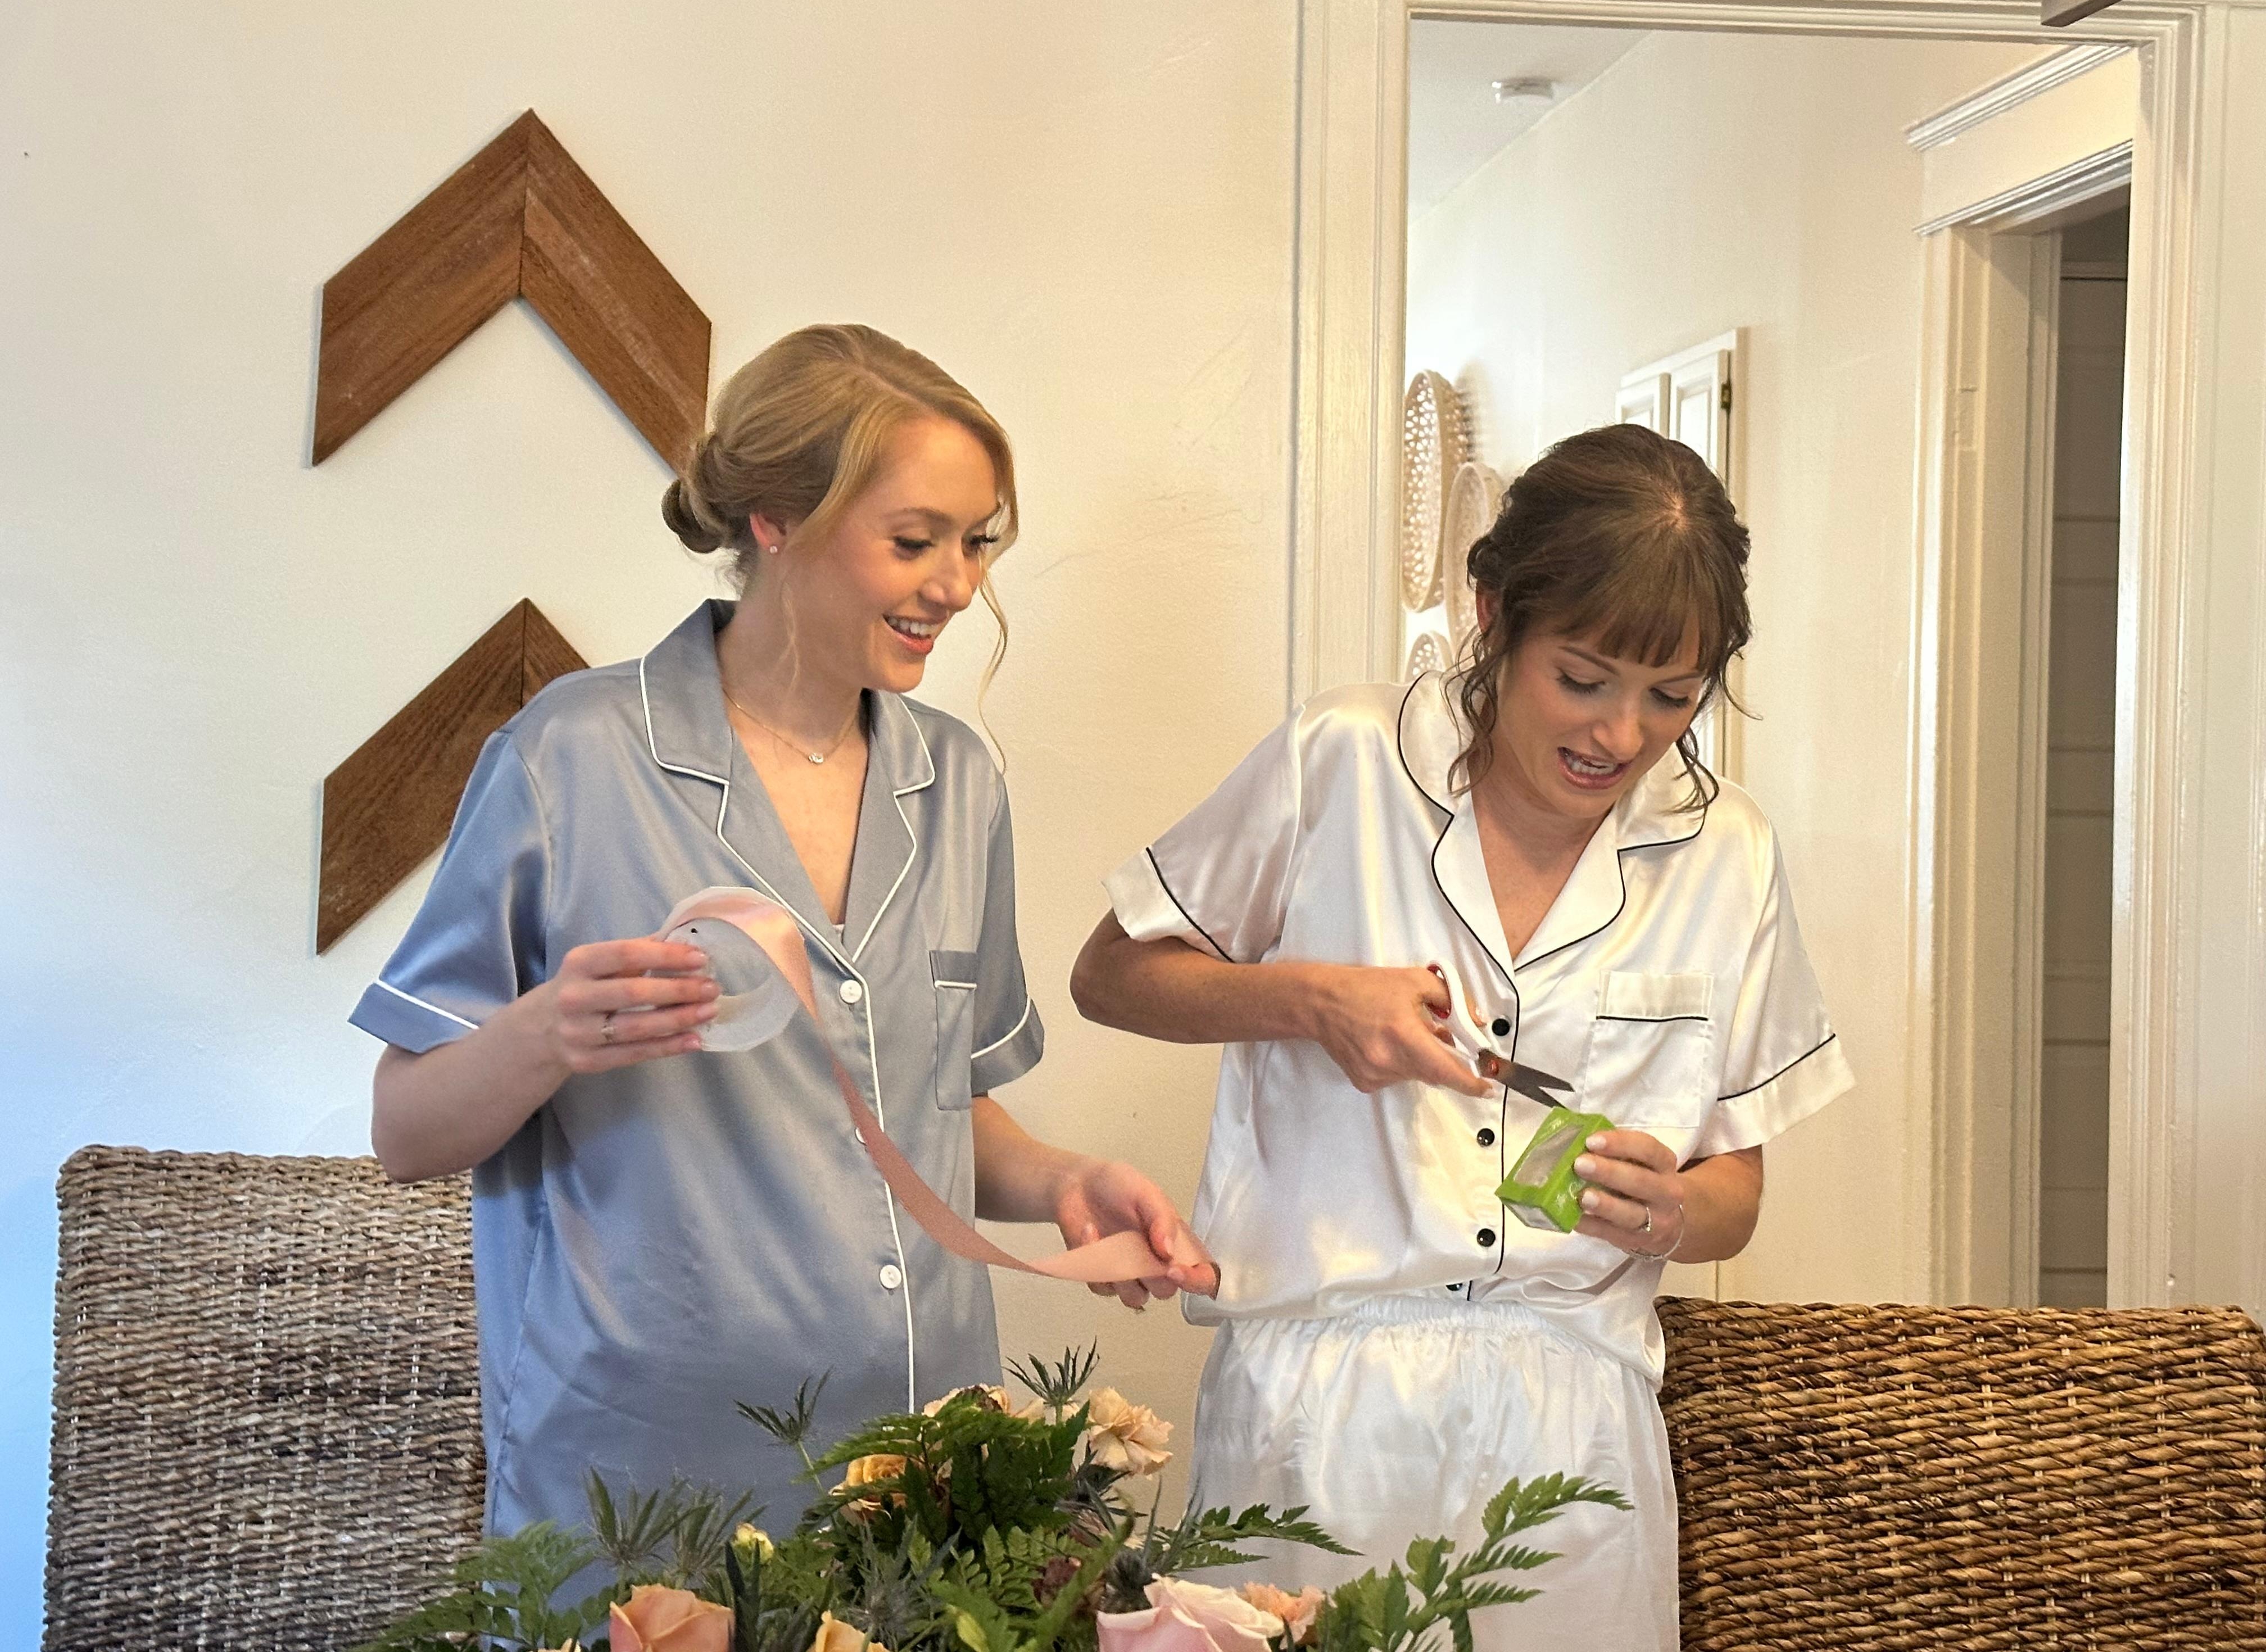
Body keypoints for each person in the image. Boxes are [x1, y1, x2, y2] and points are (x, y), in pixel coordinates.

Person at [352, 324, 1209, 1541]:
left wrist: (1070, 1180)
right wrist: (549, 1034)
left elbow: (936, 1116)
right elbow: (404, 1129)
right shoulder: (570, 758)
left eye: (977, 543)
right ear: (773, 523)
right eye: (913, 541)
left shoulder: (957, 783)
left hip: (921, 1485)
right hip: (642, 1486)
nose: (957, 585)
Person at [1069, 424, 1855, 1650]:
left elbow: (1737, 1189)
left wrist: (1675, 1214)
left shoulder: (1729, 850)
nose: (1621, 736)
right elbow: (1111, 975)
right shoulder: (1345, 760)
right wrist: (1312, 999)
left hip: (1576, 1430)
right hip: (1316, 1406)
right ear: (1494, 613)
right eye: (1583, 678)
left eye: (1672, 697)